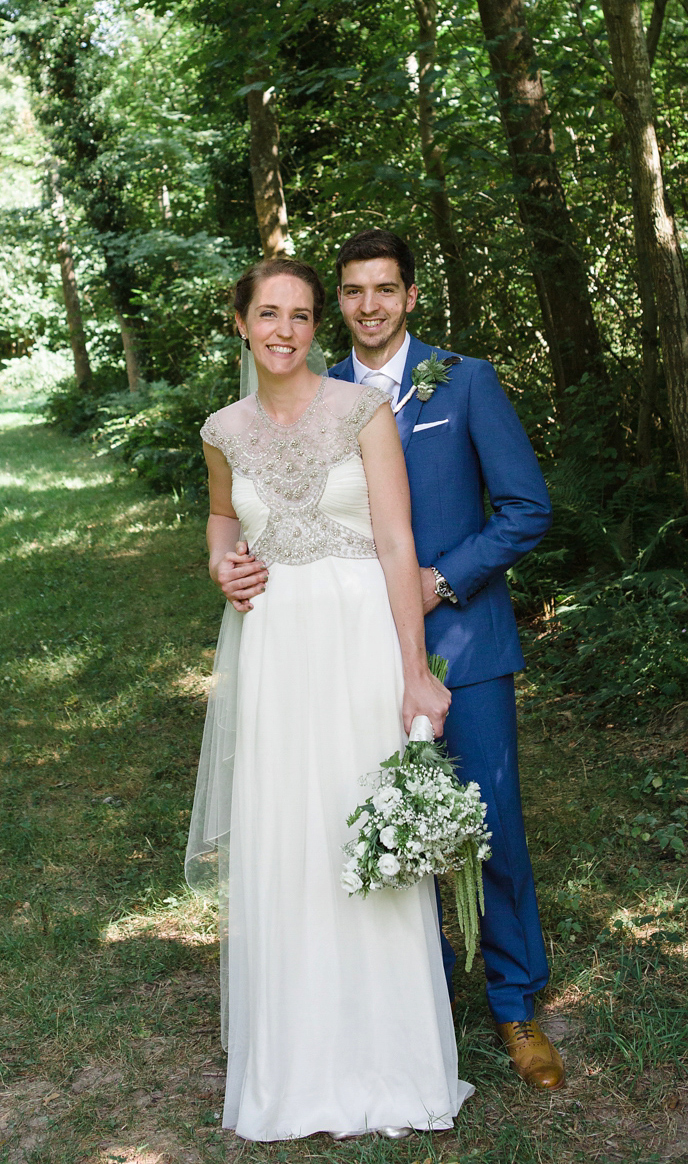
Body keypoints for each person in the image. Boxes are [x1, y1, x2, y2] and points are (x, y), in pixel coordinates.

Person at [188, 256, 473, 1142]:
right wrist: (219, 559)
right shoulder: (222, 428)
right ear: (240, 322)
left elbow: (396, 542)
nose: (285, 330)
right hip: (276, 645)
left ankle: (392, 1065)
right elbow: (222, 516)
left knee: (362, 826)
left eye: (302, 315)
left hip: (358, 641)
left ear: (318, 327)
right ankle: (296, 1070)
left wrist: (415, 669)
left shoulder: (363, 411)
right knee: (288, 838)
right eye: (268, 313)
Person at [319, 227, 562, 1091]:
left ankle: (515, 1001)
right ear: (338, 301)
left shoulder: (465, 381)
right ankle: (406, 999)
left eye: (386, 289)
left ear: (412, 296)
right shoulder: (319, 394)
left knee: (489, 823)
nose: (370, 305)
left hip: (466, 644)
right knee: (378, 821)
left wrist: (442, 579)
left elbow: (526, 508)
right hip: (354, 648)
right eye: (354, 291)